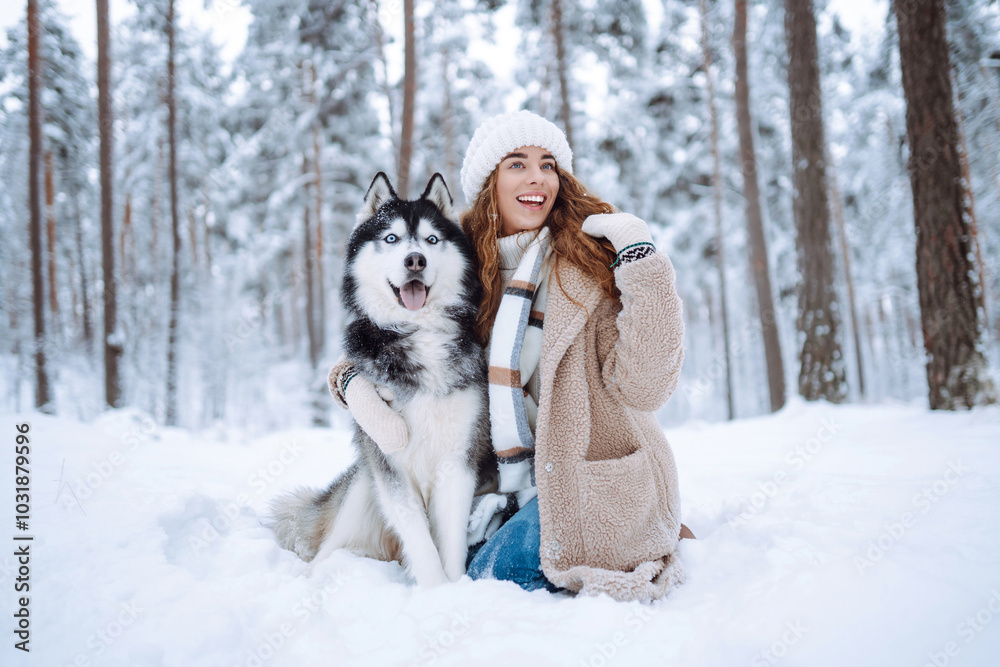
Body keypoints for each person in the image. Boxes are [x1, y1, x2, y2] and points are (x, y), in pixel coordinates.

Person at [331, 110, 689, 602]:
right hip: (501, 480)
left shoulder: (592, 263)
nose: (536, 177)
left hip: (585, 480)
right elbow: (389, 334)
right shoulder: (458, 265)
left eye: (548, 164)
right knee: (442, 544)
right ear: (489, 184)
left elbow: (646, 388)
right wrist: (349, 380)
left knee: (491, 580)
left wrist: (641, 259)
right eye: (517, 164)